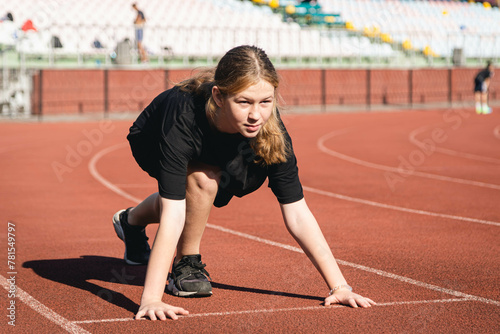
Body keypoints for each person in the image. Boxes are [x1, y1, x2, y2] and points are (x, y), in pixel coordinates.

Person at [112, 45, 376, 321]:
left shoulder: (269, 129)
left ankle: (130, 221)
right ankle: (187, 263)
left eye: (266, 101)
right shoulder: (183, 117)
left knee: (203, 188)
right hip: (153, 138)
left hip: (228, 146)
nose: (256, 115)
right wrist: (151, 298)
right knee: (201, 182)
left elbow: (297, 213)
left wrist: (340, 286)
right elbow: (174, 214)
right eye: (244, 102)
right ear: (218, 95)